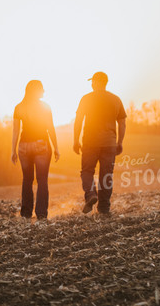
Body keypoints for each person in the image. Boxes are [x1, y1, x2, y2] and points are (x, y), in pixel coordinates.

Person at [73, 71, 126, 216]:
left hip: (90, 142)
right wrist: (119, 142)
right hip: (109, 143)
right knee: (106, 175)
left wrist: (75, 140)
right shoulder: (116, 99)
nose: (91, 84)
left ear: (96, 82)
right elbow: (122, 123)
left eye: (92, 81)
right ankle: (104, 208)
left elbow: (78, 121)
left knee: (87, 171)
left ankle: (90, 195)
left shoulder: (86, 99)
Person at [12, 80, 60, 220]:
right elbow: (50, 128)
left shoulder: (19, 107)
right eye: (42, 89)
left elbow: (15, 131)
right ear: (37, 91)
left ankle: (26, 213)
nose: (44, 91)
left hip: (24, 146)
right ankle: (41, 214)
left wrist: (13, 150)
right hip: (41, 145)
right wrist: (56, 147)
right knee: (42, 180)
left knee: (27, 180)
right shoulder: (45, 107)